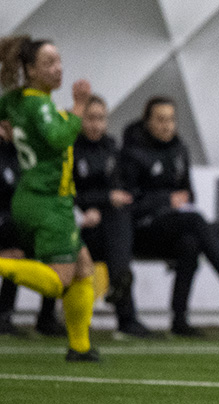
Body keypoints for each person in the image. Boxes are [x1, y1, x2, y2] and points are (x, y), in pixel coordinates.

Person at [118, 96, 219, 337]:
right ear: (147, 122)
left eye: (170, 120)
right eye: (160, 120)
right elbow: (127, 205)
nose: (166, 125)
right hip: (141, 231)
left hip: (173, 226)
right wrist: (166, 200)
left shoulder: (179, 149)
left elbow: (189, 194)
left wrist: (181, 200)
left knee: (192, 242)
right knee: (196, 221)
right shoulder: (131, 153)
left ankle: (179, 320)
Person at [0, 35, 99, 361]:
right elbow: (58, 138)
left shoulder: (16, 99)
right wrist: (80, 107)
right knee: (60, 281)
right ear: (29, 69)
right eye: (48, 63)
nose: (58, 69)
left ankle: (79, 348)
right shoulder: (40, 104)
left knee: (84, 268)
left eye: (58, 61)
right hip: (47, 203)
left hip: (35, 199)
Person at [74, 95, 158, 338]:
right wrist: (91, 206)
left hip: (105, 229)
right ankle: (126, 312)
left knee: (120, 214)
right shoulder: (69, 149)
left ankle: (121, 284)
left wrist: (103, 205)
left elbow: (121, 192)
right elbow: (66, 193)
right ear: (80, 120)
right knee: (117, 217)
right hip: (76, 227)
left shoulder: (111, 148)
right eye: (90, 118)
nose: (96, 125)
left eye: (101, 118)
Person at [0, 138, 66, 338]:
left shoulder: (27, 153)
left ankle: (46, 317)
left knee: (54, 240)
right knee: (20, 238)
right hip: (7, 222)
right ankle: (4, 314)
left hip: (18, 221)